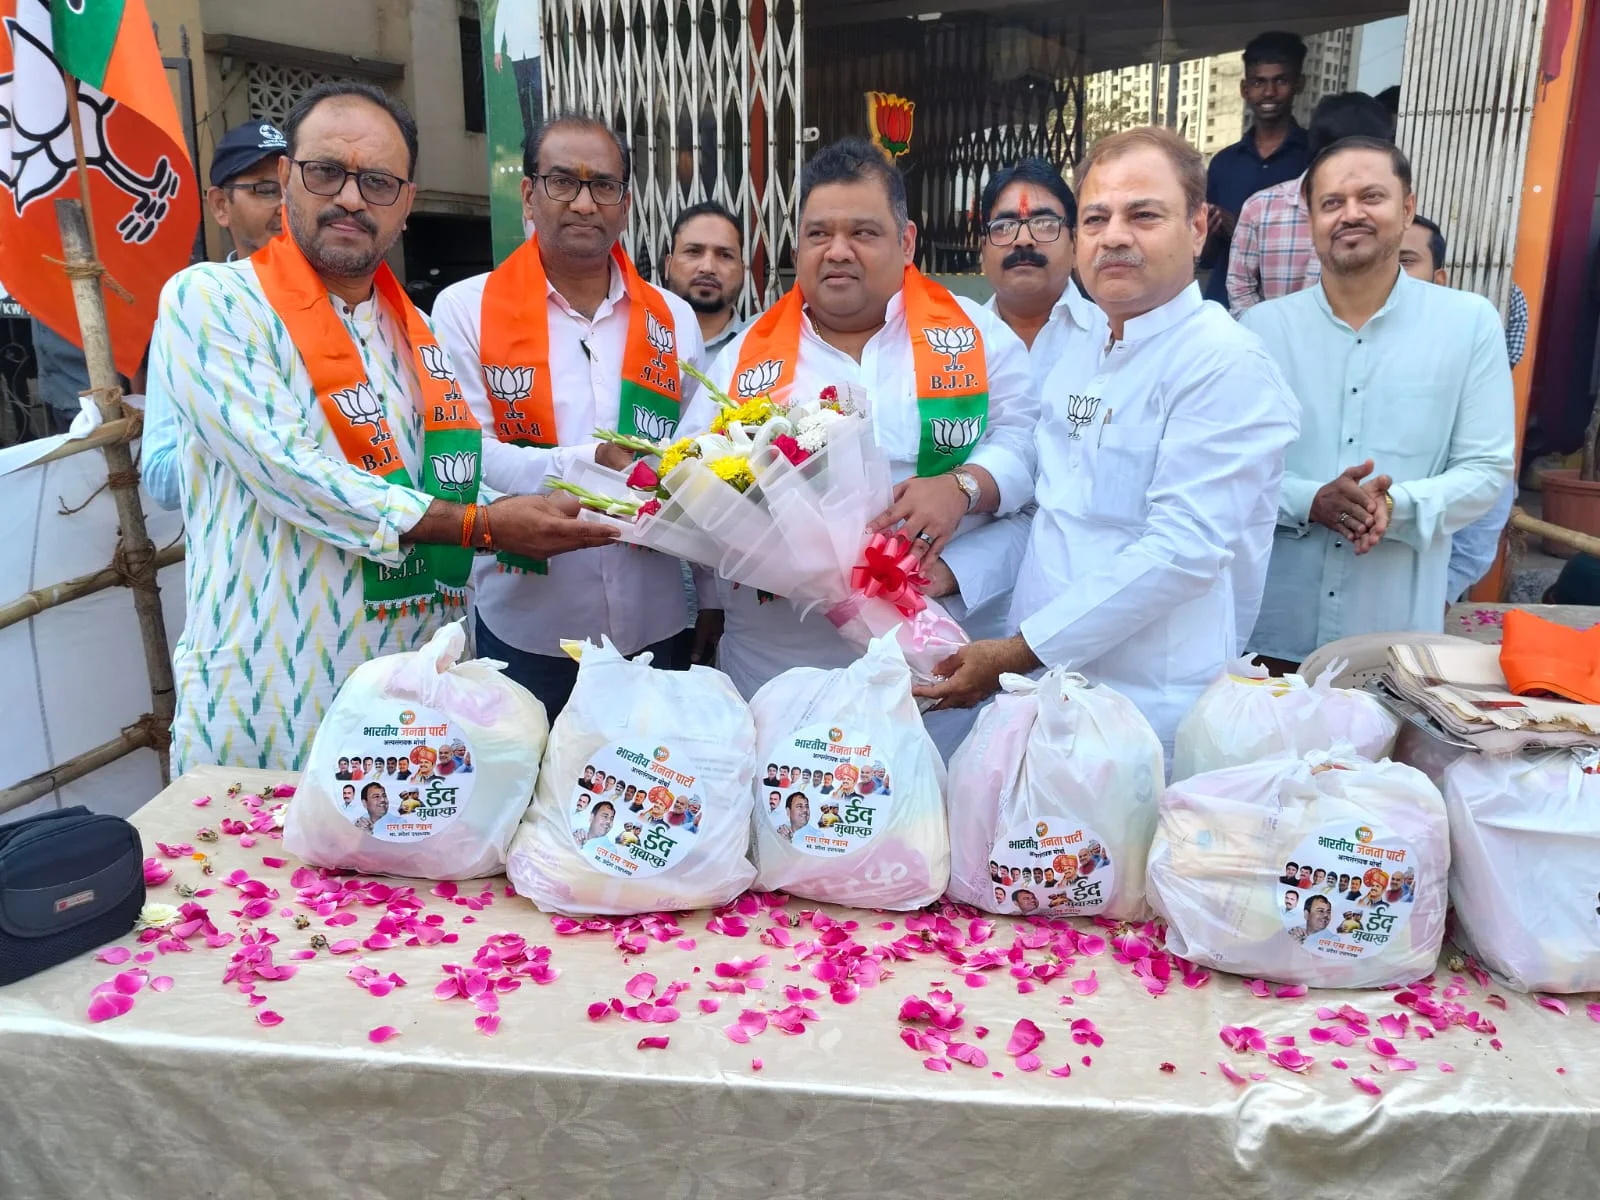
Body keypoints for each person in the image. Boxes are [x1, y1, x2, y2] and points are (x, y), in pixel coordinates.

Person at [148, 83, 616, 774]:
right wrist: (482, 526)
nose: (349, 198)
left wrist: (583, 491)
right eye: (326, 172)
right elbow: (289, 470)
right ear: (287, 178)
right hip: (271, 695)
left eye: (377, 182)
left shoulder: (414, 331)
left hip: (415, 698)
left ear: (405, 202)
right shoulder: (214, 301)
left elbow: (453, 476)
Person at [914, 128, 1301, 756]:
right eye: (1096, 218)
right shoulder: (1082, 349)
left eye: (1143, 215)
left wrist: (1018, 651)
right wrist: (952, 566)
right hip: (1040, 699)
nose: (1114, 236)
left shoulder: (1223, 363)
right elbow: (1051, 516)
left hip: (1145, 715)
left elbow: (1181, 551)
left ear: (1197, 228)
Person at [703, 137, 1038, 757]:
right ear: (797, 247)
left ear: (906, 242)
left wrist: (963, 487)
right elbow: (697, 487)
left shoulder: (975, 335)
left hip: (936, 668)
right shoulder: (739, 361)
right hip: (784, 672)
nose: (837, 251)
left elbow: (1028, 445)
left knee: (934, 816)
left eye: (862, 232)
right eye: (818, 234)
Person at [432, 112, 707, 718]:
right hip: (529, 627)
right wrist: (594, 463)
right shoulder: (465, 309)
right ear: (529, 194)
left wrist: (712, 591)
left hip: (654, 621)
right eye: (563, 182)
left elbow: (700, 458)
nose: (585, 203)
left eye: (603, 185)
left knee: (653, 775)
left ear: (625, 204)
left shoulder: (673, 318)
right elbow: (469, 457)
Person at [1243, 138, 1514, 669]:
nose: (1351, 214)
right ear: (1310, 220)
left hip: (1398, 644)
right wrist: (1308, 500)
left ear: (1407, 208)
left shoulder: (1468, 324)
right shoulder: (1261, 331)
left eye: (1371, 197)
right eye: (1332, 202)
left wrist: (1396, 506)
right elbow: (1233, 468)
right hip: (1270, 634)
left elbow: (1487, 469)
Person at [141, 119, 291, 510]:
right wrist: (254, 436)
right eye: (266, 189)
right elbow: (161, 480)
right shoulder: (192, 311)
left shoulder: (346, 300)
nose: (286, 206)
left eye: (296, 189)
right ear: (221, 206)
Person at [1399, 216, 1525, 602]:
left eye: (1406, 260)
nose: (1389, 272)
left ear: (1439, 279)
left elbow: (1489, 486)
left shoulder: (1466, 353)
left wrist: (1444, 589)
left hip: (1420, 586)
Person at [1227, 91, 1393, 315]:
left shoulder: (1385, 214)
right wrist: (1266, 330)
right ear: (1321, 154)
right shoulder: (1260, 209)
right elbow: (1240, 287)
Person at [1200, 32, 1312, 307]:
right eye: (1259, 82)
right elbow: (1206, 258)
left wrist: (1242, 227)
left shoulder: (1315, 159)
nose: (1269, 92)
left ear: (1299, 84)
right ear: (1245, 88)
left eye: (1281, 81)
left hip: (1290, 305)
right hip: (1225, 305)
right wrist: (1212, 229)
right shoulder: (1223, 163)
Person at [978, 157, 1104, 386]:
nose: (1023, 240)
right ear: (983, 249)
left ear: (1075, 244)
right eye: (1004, 226)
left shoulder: (1110, 338)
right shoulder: (954, 344)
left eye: (1044, 224)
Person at [664, 200, 747, 360]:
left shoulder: (764, 349)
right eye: (693, 252)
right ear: (668, 265)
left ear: (743, 271)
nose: (708, 267)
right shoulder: (634, 342)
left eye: (725, 255)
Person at [492, 0, 544, 150]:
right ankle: (528, 133)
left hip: (536, 50)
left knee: (538, 91)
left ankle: (539, 132)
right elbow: (500, 21)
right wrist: (497, 51)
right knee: (523, 94)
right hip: (516, 52)